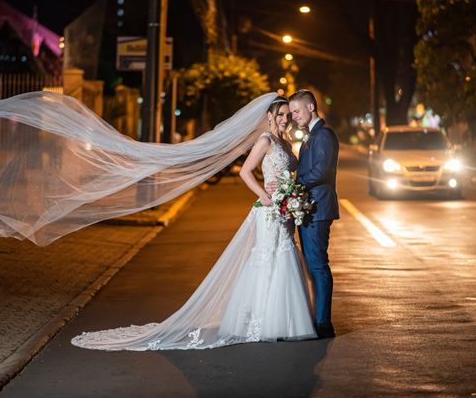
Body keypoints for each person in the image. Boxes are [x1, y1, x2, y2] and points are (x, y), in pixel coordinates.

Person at [71, 97, 317, 351]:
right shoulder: (265, 140)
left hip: (285, 209)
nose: (285, 119)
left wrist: (291, 195)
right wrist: (263, 195)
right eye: (280, 115)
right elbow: (245, 172)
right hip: (269, 210)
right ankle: (264, 321)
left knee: (283, 254)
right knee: (269, 257)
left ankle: (280, 319)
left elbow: (289, 173)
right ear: (269, 115)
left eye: (287, 115)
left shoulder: (285, 143)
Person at [275, 89, 340, 339]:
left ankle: (324, 324)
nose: (293, 116)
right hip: (308, 207)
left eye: (296, 111)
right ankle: (318, 319)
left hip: (319, 207)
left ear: (311, 107)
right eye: (291, 112)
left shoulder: (324, 134)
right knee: (313, 267)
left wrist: (294, 185)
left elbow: (321, 172)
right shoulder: (311, 135)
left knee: (318, 266)